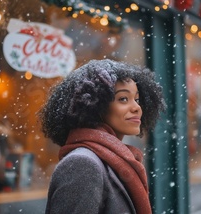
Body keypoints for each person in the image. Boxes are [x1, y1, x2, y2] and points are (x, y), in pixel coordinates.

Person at [39, 59, 166, 214]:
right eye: (123, 99)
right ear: (94, 105)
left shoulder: (116, 159)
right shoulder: (82, 163)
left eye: (137, 99)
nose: (137, 108)